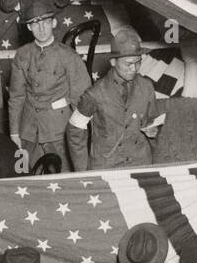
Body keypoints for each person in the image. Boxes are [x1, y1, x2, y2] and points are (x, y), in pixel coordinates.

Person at [8, 0, 91, 172]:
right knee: (25, 177)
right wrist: (14, 133)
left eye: (45, 22)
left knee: (64, 178)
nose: (41, 28)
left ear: (53, 23)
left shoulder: (69, 56)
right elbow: (16, 97)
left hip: (59, 130)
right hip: (28, 131)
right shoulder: (22, 55)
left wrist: (80, 135)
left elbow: (82, 98)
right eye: (35, 24)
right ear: (29, 27)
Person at [66, 29, 160, 171]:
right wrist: (82, 170)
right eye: (128, 64)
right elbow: (74, 131)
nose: (134, 69)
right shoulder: (94, 94)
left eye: (138, 62)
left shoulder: (146, 86)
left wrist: (154, 130)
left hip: (141, 163)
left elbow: (152, 120)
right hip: (107, 166)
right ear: (113, 62)